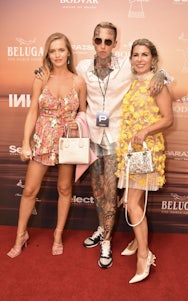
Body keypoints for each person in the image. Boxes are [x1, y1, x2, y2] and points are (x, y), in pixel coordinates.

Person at [76, 22, 168, 269]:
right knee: (99, 191)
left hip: (119, 138)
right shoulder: (83, 67)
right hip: (95, 138)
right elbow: (63, 74)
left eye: (108, 41)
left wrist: (162, 74)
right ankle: (102, 227)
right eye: (98, 40)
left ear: (115, 44)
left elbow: (149, 69)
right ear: (93, 41)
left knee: (110, 190)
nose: (103, 46)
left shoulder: (126, 67)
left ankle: (106, 242)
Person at [7, 32, 87, 258]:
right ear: (48, 54)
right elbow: (33, 110)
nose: (57, 54)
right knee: (30, 190)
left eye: (61, 50)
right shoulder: (41, 78)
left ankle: (58, 235)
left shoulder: (78, 81)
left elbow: (83, 111)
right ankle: (20, 235)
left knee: (64, 189)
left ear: (69, 52)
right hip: (42, 138)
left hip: (67, 141)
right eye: (53, 51)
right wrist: (25, 142)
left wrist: (77, 122)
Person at [115, 38, 173, 283]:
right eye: (136, 54)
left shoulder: (157, 84)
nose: (139, 59)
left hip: (145, 150)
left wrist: (146, 131)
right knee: (131, 199)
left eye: (145, 55)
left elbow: (168, 119)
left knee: (132, 203)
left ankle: (143, 255)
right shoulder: (133, 83)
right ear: (131, 59)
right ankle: (138, 239)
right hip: (130, 151)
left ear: (153, 59)